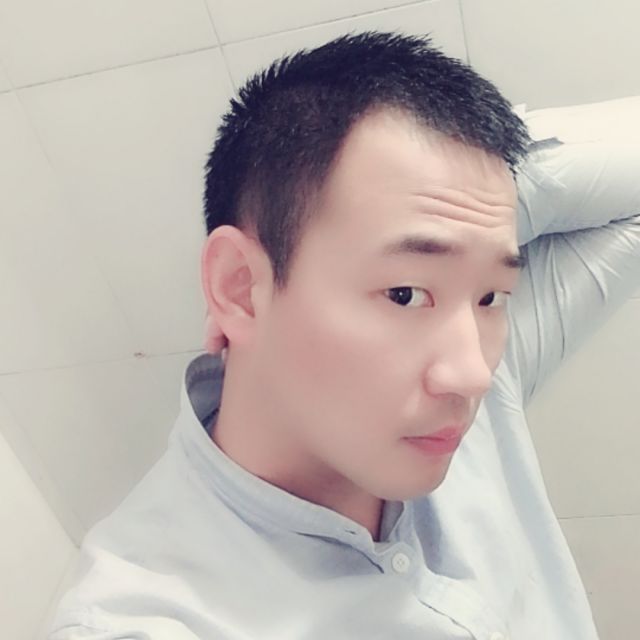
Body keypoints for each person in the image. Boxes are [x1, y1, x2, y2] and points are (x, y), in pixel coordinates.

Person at [48, 32, 639, 640]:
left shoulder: (457, 393)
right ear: (237, 286)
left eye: (491, 296)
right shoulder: (142, 620)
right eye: (405, 294)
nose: (474, 376)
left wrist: (484, 193)